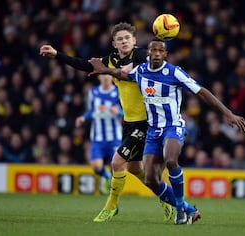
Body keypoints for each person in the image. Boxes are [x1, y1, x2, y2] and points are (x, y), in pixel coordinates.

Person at [89, 39, 245, 224]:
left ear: (166, 55)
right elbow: (122, 74)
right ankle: (189, 210)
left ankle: (180, 209)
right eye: (153, 50)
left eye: (160, 51)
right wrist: (105, 70)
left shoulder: (174, 72)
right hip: (152, 132)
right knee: (151, 180)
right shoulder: (141, 71)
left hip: (173, 127)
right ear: (148, 53)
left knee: (171, 160)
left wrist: (227, 113)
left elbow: (202, 92)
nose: (156, 53)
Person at [39, 22, 173, 223]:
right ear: (114, 43)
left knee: (117, 162)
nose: (124, 41)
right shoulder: (110, 60)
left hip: (146, 122)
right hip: (129, 123)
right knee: (135, 169)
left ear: (134, 41)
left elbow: (155, 60)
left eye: (127, 38)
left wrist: (160, 42)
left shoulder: (140, 55)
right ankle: (166, 198)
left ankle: (110, 207)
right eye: (120, 39)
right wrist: (57, 54)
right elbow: (85, 64)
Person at [75, 74, 123, 195]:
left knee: (116, 166)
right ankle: (106, 177)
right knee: (96, 166)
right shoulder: (93, 92)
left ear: (112, 77)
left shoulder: (118, 92)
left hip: (114, 137)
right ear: (99, 77)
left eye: (108, 74)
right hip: (97, 137)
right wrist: (83, 118)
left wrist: (119, 112)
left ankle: (114, 193)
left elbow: (127, 112)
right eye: (103, 75)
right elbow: (92, 110)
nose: (106, 77)